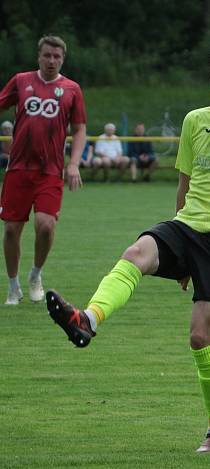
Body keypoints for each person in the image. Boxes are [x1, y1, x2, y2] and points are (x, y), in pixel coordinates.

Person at [45, 43, 210, 454]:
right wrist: (179, 255)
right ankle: (88, 319)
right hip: (186, 226)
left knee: (200, 337)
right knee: (135, 254)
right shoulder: (196, 121)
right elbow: (184, 187)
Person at [0, 35, 87, 305]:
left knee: (46, 225)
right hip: (18, 169)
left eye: (57, 56)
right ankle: (13, 286)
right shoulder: (21, 81)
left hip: (50, 171)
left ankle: (36, 274)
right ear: (39, 56)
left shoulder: (72, 89)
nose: (52, 60)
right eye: (47, 55)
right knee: (12, 229)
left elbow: (80, 129)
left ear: (63, 59)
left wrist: (73, 163)